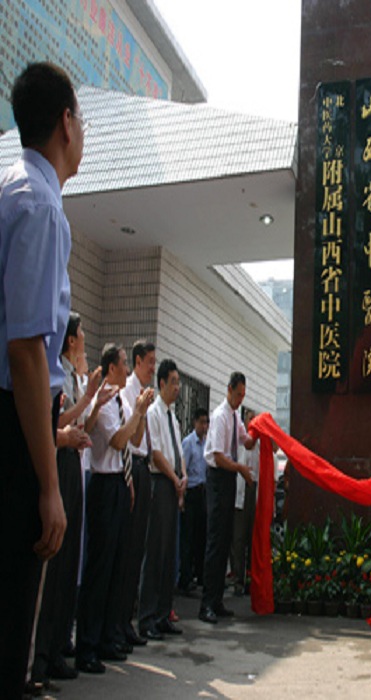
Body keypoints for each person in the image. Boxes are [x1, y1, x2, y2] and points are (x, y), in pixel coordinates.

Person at [0, 62, 84, 700]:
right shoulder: (43, 209)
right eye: (80, 120)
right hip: (15, 434)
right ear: (65, 122)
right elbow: (28, 353)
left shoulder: (8, 193)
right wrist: (49, 484)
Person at [31, 313, 101, 687]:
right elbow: (56, 426)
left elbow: (76, 427)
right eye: (82, 336)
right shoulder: (54, 372)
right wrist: (88, 397)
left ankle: (56, 648)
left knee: (68, 560)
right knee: (54, 568)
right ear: (70, 340)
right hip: (58, 465)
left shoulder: (70, 376)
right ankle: (40, 658)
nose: (84, 342)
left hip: (72, 467)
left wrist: (91, 399)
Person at [75, 344, 153, 674]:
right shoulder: (103, 401)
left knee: (117, 565)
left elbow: (135, 442)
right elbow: (117, 442)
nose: (126, 370)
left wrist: (141, 411)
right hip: (104, 486)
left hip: (121, 483)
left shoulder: (121, 401)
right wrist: (136, 412)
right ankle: (88, 644)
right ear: (111, 368)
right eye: (123, 364)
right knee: (100, 567)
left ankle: (107, 636)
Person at [199, 372, 255, 624]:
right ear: (229, 390)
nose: (240, 400)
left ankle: (217, 600)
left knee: (225, 542)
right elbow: (218, 456)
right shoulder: (220, 416)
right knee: (214, 542)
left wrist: (263, 428)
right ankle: (206, 604)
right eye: (238, 394)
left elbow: (247, 442)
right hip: (218, 480)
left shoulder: (235, 417)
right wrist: (241, 469)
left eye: (244, 396)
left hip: (229, 479)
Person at [139, 360, 186, 639]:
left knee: (170, 554)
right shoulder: (154, 414)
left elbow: (177, 453)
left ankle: (163, 614)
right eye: (174, 382)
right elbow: (156, 453)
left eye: (179, 382)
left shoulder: (174, 418)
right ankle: (146, 618)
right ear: (161, 384)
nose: (178, 388)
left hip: (174, 486)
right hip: (160, 482)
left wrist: (183, 478)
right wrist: (173, 477)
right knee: (155, 553)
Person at [117, 340, 156, 648]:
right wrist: (140, 410)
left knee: (137, 548)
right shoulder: (127, 391)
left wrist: (143, 412)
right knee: (127, 550)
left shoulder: (141, 395)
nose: (153, 368)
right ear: (138, 361)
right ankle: (118, 623)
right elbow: (129, 438)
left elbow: (141, 435)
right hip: (128, 469)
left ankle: (126, 622)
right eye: (151, 362)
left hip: (142, 468)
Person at [179, 408, 209, 594]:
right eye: (201, 422)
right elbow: (184, 468)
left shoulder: (206, 443)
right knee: (188, 537)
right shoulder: (188, 443)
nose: (204, 426)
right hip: (191, 492)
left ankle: (200, 575)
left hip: (203, 493)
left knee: (201, 536)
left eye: (206, 422)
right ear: (194, 422)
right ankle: (186, 578)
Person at [232, 407, 260, 596]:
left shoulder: (258, 444)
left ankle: (250, 579)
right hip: (240, 489)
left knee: (252, 538)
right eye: (250, 419)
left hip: (253, 490)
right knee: (238, 538)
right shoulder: (240, 439)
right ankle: (238, 580)